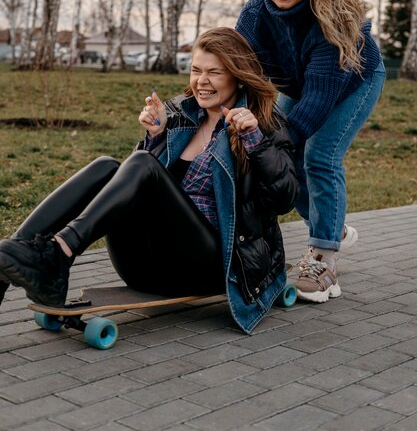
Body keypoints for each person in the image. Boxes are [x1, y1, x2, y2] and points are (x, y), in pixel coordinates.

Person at [0, 28, 298, 334]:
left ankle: (58, 253)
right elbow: (129, 188)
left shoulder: (263, 123)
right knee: (106, 166)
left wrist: (255, 141)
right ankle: (9, 261)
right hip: (147, 263)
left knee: (144, 163)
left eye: (214, 73)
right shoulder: (180, 114)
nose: (201, 82)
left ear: (237, 76)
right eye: (196, 70)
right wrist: (156, 138)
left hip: (212, 266)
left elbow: (284, 199)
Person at [235, 0, 386, 303]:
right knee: (283, 158)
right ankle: (331, 229)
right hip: (299, 84)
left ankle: (325, 263)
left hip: (354, 80)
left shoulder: (332, 20)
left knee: (318, 156)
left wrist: (274, 143)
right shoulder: (254, 15)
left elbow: (318, 100)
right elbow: (237, 75)